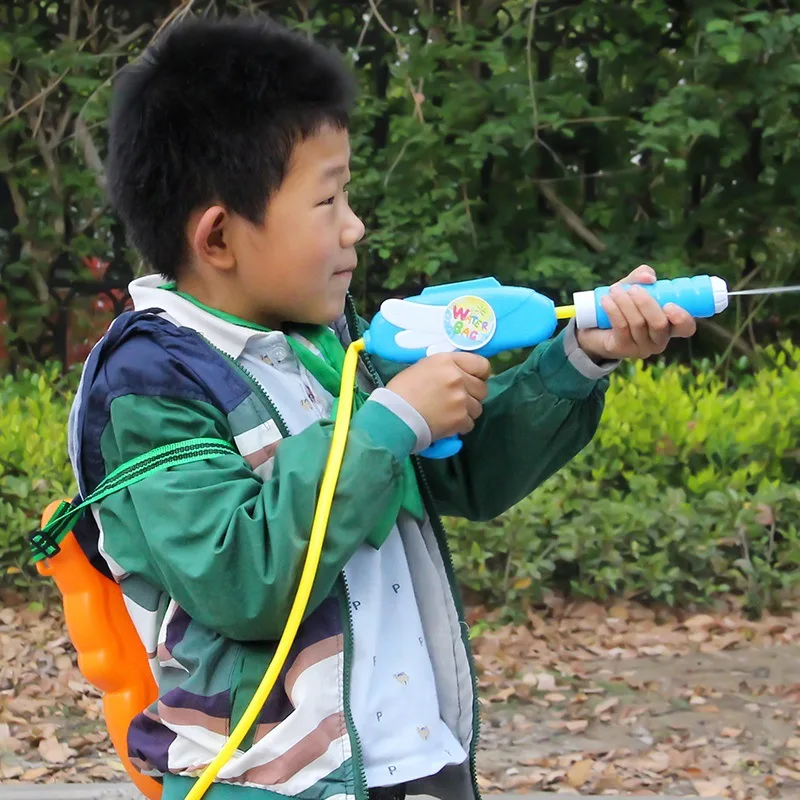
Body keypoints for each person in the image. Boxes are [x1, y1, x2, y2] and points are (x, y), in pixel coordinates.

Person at [67, 13, 696, 800]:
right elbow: (241, 577)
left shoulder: (336, 344)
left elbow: (461, 477)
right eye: (329, 199)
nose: (355, 226)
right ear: (220, 237)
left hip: (418, 759)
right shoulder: (151, 382)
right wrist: (389, 421)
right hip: (274, 783)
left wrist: (580, 358)